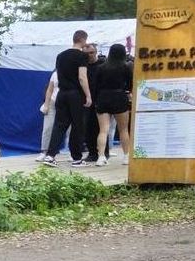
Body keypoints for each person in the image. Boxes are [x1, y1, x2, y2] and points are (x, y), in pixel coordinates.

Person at [42, 30, 92, 167]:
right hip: (75, 94)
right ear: (83, 40)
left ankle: (50, 155)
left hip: (61, 93)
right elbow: (82, 77)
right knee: (77, 125)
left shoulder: (60, 56)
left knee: (59, 125)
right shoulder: (82, 56)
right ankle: (76, 158)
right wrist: (88, 95)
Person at [94, 43, 134, 164]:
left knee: (103, 130)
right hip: (119, 97)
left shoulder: (101, 67)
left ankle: (101, 157)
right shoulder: (126, 67)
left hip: (103, 97)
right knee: (123, 129)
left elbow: (95, 85)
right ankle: (126, 156)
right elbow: (130, 84)